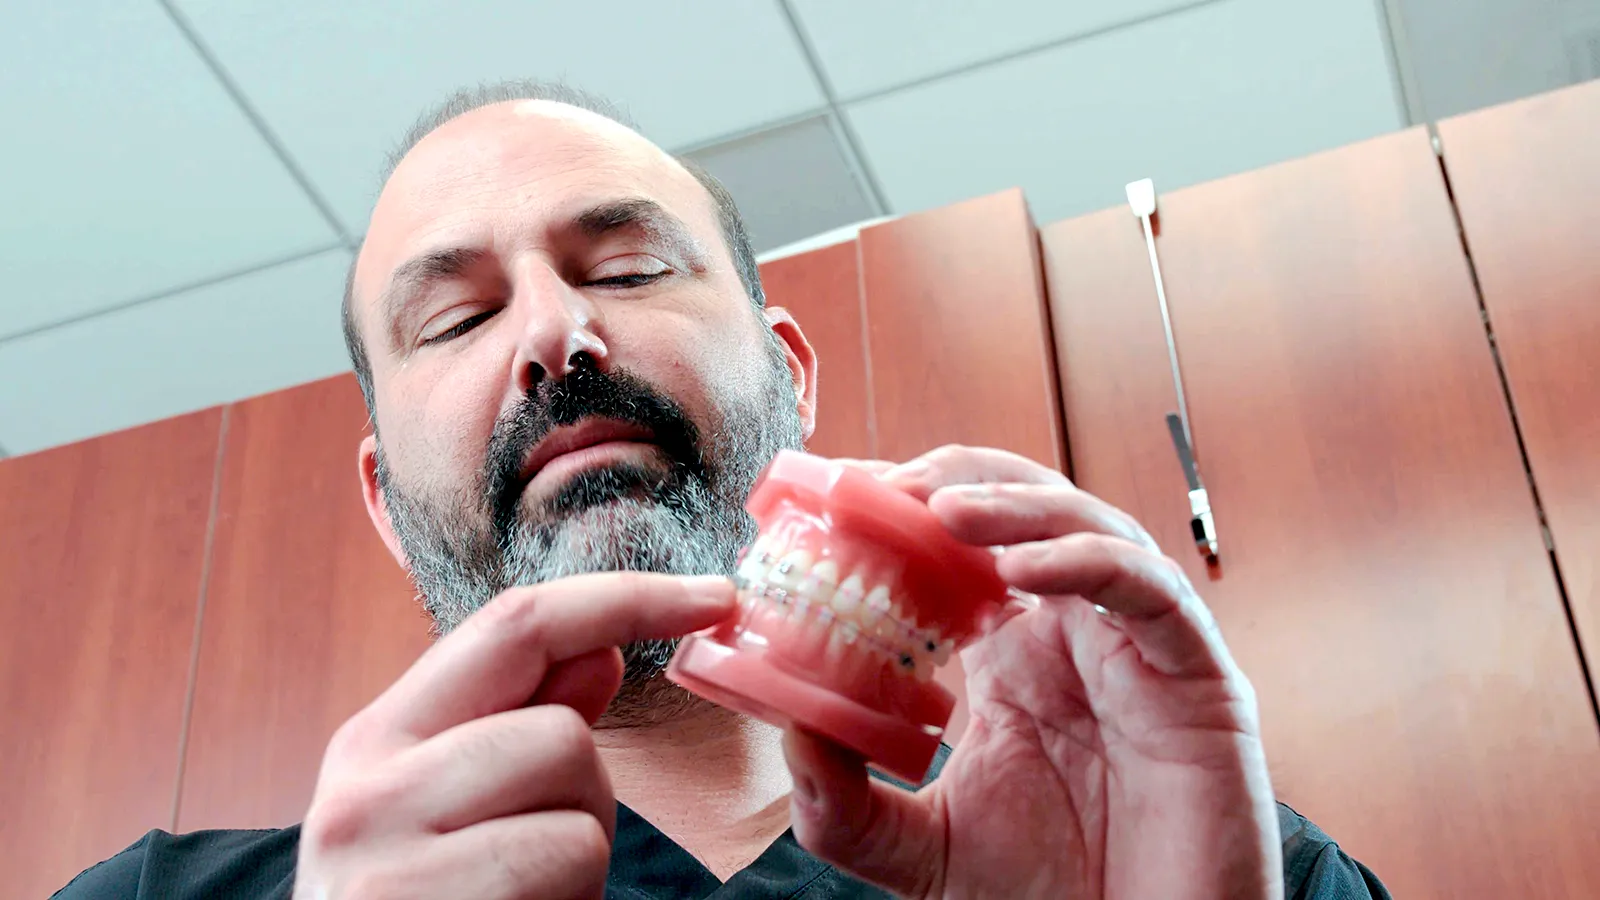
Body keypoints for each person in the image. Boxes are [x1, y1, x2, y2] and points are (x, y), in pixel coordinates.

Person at [54, 81, 1390, 900]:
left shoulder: (1189, 858)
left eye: (629, 269)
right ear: (384, 500)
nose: (551, 339)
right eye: (456, 321)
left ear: (792, 377)